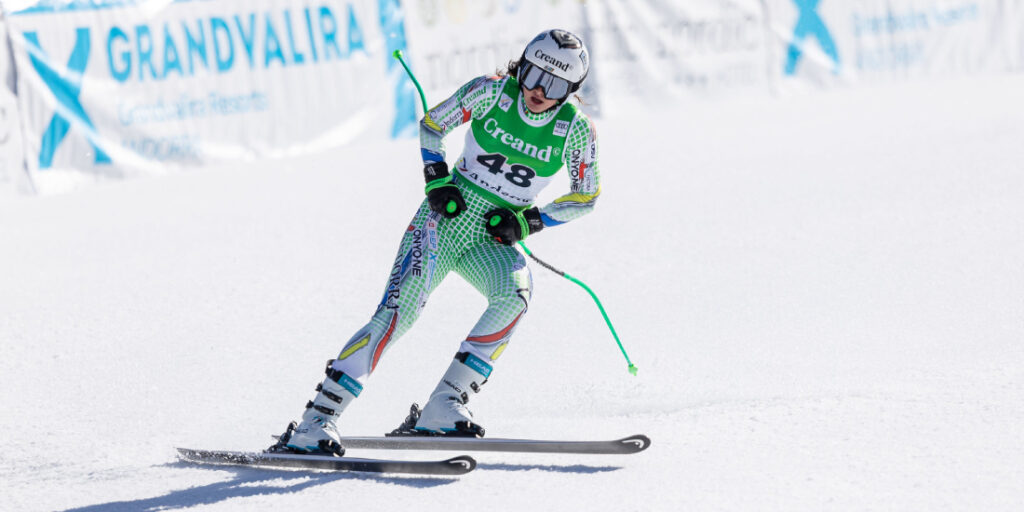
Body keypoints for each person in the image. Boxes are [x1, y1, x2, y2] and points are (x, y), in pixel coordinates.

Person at [269, 29, 601, 456]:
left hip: (489, 238)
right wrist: (437, 179)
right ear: (521, 66)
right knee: (397, 314)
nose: (539, 90)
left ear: (570, 90)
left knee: (514, 297)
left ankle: (444, 406)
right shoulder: (491, 91)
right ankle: (315, 422)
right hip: (444, 223)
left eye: (554, 85)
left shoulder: (575, 130)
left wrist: (528, 222)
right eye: (533, 75)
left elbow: (586, 195)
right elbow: (433, 125)